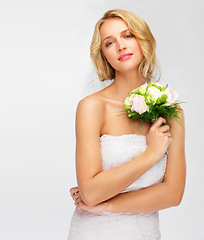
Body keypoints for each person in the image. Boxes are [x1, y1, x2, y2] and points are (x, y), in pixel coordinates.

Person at [67, 9, 186, 240]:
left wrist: (106, 205)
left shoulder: (172, 111)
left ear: (143, 40)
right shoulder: (92, 107)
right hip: (95, 232)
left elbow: (173, 194)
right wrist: (151, 154)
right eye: (109, 43)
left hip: (145, 233)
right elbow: (90, 193)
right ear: (104, 56)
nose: (121, 46)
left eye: (128, 35)